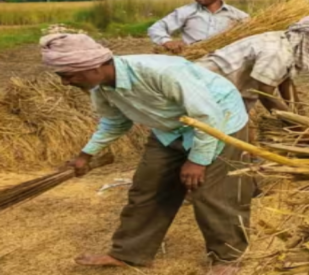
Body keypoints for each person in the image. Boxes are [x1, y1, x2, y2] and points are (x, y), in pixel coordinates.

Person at [41, 33, 252, 275]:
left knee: (213, 193)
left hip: (221, 122)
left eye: (68, 75)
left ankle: (227, 257)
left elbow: (207, 116)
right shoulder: (102, 88)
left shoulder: (162, 73)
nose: (65, 83)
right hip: (169, 129)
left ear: (93, 66)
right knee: (147, 188)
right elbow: (114, 122)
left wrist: (197, 160)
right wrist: (85, 155)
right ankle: (130, 253)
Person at [196, 14, 309, 115]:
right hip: (201, 86)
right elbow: (265, 95)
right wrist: (298, 126)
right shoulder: (277, 52)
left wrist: (301, 115)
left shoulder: (287, 43)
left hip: (220, 90)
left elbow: (285, 81)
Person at [148, 0, 249, 54]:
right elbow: (156, 28)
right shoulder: (186, 11)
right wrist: (166, 41)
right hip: (192, 61)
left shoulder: (237, 15)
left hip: (226, 62)